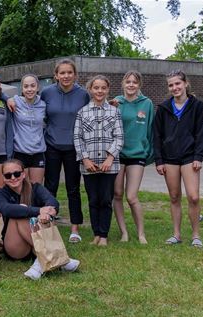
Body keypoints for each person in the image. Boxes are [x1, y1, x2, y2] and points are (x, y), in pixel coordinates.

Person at [0, 159, 80, 280]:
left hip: (34, 239)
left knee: (46, 216)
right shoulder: (0, 193)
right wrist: (38, 211)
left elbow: (52, 202)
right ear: (3, 178)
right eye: (8, 175)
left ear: (23, 174)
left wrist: (47, 213)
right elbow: (6, 209)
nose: (13, 177)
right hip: (17, 247)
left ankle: (40, 261)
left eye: (17, 174)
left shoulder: (35, 187)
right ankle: (59, 258)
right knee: (19, 212)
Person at [153, 70, 203, 248]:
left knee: (193, 196)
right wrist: (158, 160)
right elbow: (157, 136)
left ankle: (196, 235)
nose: (174, 87)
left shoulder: (197, 106)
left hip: (190, 157)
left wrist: (199, 156)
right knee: (174, 197)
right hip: (169, 158)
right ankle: (176, 234)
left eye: (177, 83)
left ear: (185, 84)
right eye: (171, 85)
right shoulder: (163, 108)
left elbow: (201, 133)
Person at [41, 59, 90, 243]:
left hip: (74, 148)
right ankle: (48, 225)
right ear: (56, 75)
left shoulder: (83, 94)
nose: (66, 76)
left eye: (69, 72)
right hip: (51, 146)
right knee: (50, 187)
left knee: (73, 189)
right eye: (62, 73)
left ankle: (75, 228)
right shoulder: (47, 93)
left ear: (75, 75)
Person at [74, 75, 124, 246]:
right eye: (96, 88)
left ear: (108, 89)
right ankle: (96, 233)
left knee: (105, 199)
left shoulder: (114, 112)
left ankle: (103, 235)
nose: (100, 91)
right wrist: (85, 159)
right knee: (93, 199)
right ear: (90, 90)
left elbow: (119, 137)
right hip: (90, 165)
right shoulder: (82, 112)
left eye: (103, 88)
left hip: (109, 165)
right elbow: (77, 138)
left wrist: (110, 158)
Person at [112, 71, 154, 244]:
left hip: (137, 154)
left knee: (131, 196)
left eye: (134, 82)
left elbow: (151, 129)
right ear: (123, 83)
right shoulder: (116, 102)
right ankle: (124, 233)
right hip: (117, 154)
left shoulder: (147, 104)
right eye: (128, 82)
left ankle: (141, 233)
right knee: (117, 194)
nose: (131, 85)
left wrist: (149, 153)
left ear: (139, 85)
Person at [9, 74, 47, 184]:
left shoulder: (43, 105)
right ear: (22, 88)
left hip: (38, 152)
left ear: (38, 87)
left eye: (32, 86)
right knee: (21, 188)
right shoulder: (15, 102)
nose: (29, 89)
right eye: (26, 86)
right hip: (20, 152)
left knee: (37, 188)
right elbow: (1, 96)